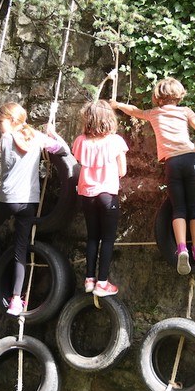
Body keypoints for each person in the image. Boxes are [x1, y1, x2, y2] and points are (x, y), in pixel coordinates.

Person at [0, 102, 68, 316]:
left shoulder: (7, 138)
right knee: (20, 249)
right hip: (29, 201)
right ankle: (17, 300)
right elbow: (63, 150)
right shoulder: (36, 137)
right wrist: (53, 134)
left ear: (11, 120)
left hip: (8, 198)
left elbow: (9, 160)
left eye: (0, 122)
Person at [110, 77, 195, 275]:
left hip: (172, 163)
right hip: (190, 160)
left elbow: (134, 111)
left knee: (178, 209)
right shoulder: (185, 111)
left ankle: (181, 248)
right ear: (178, 95)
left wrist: (117, 104)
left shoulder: (154, 113)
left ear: (158, 97)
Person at [72, 100, 128, 297]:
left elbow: (79, 160)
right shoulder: (115, 141)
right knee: (108, 239)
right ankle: (102, 282)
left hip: (87, 195)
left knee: (93, 237)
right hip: (107, 194)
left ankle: (89, 279)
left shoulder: (80, 141)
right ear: (108, 119)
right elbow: (122, 170)